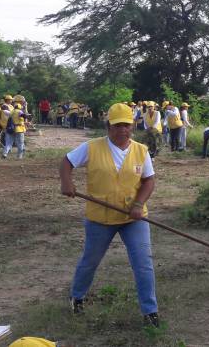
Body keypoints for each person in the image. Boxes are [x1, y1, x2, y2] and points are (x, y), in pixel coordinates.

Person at [59, 102, 159, 327]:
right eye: (117, 126)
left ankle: (150, 312)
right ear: (108, 126)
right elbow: (66, 162)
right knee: (90, 260)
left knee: (143, 263)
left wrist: (138, 203)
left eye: (126, 125)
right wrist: (67, 182)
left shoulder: (141, 151)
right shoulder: (92, 147)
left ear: (132, 125)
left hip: (133, 218)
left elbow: (149, 181)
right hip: (100, 218)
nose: (122, 130)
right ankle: (77, 297)